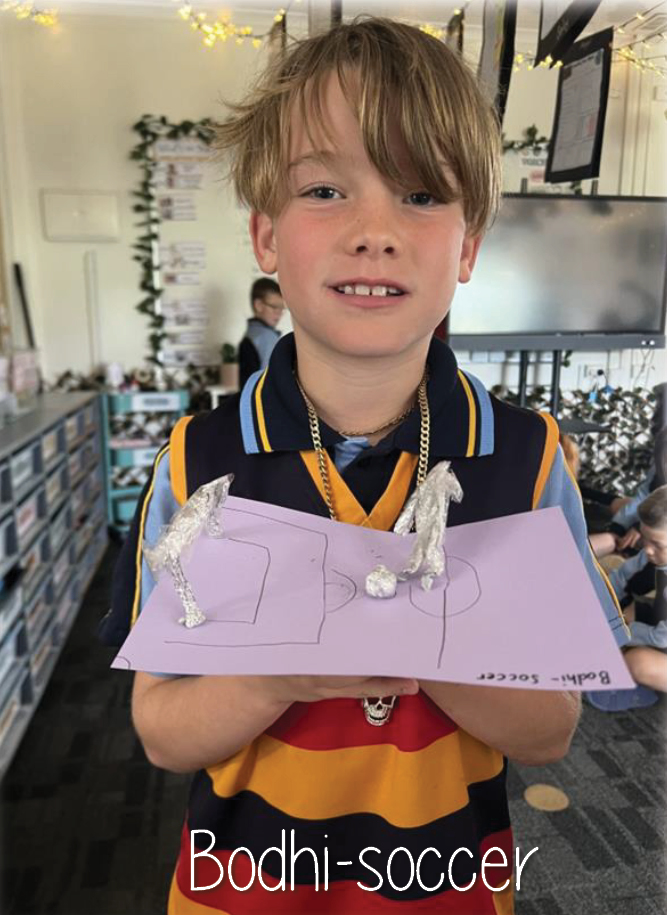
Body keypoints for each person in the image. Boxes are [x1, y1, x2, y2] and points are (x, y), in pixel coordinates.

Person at [103, 18, 628, 914]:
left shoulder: (528, 459)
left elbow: (548, 731)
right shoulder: (197, 463)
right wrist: (277, 673)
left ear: (467, 248)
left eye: (421, 194)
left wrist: (413, 638)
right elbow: (162, 732)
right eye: (324, 189)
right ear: (267, 238)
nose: (374, 229)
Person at [609, 485, 667, 692]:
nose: (647, 550)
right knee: (623, 613)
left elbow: (661, 638)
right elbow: (621, 576)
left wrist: (618, 632)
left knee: (638, 663)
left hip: (663, 636)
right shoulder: (650, 552)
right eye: (644, 538)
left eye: (657, 544)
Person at [237, 276, 285, 386]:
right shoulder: (266, 338)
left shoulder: (251, 335)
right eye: (274, 307)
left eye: (282, 308)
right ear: (258, 305)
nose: (279, 313)